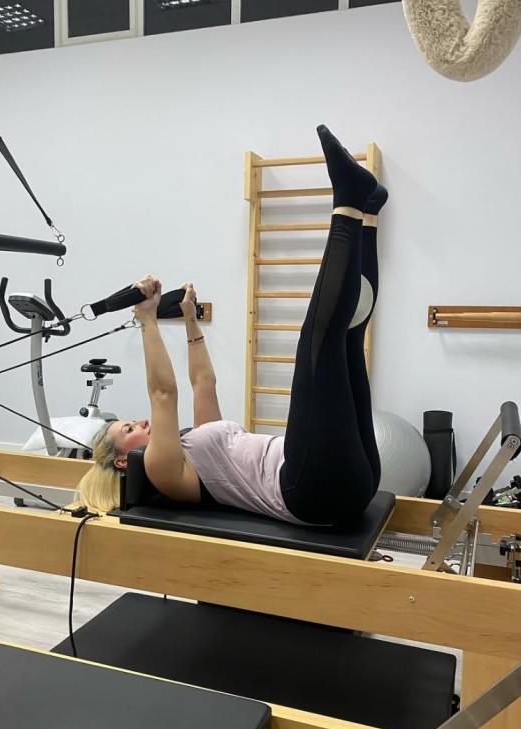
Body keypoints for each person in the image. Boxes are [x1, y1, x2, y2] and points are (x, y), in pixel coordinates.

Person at [77, 125, 388, 524]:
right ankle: (347, 199)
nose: (139, 421)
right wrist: (146, 319)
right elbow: (163, 394)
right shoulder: (163, 469)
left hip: (346, 479)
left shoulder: (194, 444)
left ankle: (367, 214)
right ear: (122, 460)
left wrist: (190, 320)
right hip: (311, 490)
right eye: (127, 430)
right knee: (319, 342)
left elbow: (202, 383)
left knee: (348, 336)